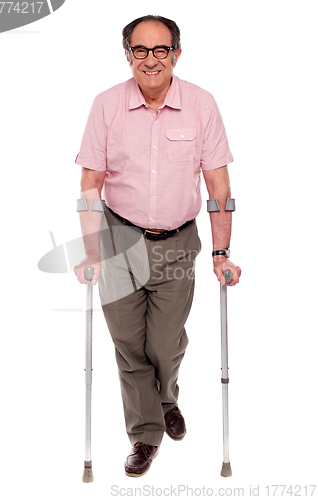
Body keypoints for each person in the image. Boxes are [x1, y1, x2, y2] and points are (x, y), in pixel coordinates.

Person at [74, 15, 241, 477]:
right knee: (130, 347)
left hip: (177, 241)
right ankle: (146, 433)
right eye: (140, 51)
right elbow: (90, 182)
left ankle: (166, 397)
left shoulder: (202, 105)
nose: (151, 60)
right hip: (117, 238)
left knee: (164, 344)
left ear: (177, 54)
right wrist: (90, 250)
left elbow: (218, 182)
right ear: (127, 55)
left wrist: (221, 252)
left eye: (160, 50)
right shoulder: (106, 105)